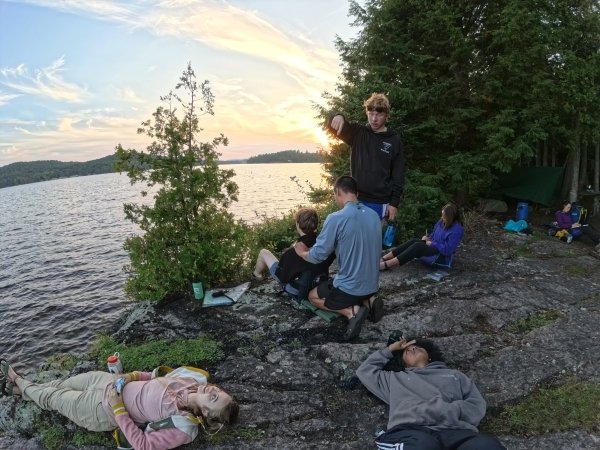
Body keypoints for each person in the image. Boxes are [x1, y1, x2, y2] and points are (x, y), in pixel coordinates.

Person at [1, 358, 238, 450]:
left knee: (51, 398)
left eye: (214, 397)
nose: (213, 390)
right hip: (107, 381)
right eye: (218, 390)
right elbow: (152, 375)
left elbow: (142, 444)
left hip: (99, 410)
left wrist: (117, 408)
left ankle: (17, 379)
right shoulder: (190, 381)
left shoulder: (183, 428)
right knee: (61, 384)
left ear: (206, 412)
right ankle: (22, 392)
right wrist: (130, 376)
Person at [355, 338, 506, 450]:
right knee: (423, 445)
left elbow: (476, 403)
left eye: (417, 347)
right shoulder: (394, 379)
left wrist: (453, 410)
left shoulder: (455, 375)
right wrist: (390, 350)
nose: (413, 348)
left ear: (430, 354)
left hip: (455, 431)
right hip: (410, 432)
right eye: (407, 350)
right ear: (401, 362)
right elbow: (365, 371)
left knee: (487, 444)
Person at [294, 176, 382, 340]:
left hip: (350, 287)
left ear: (338, 192)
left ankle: (352, 312)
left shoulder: (336, 218)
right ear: (356, 193)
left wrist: (302, 253)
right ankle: (370, 300)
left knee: (312, 296)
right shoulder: (374, 216)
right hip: (372, 283)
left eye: (335, 196)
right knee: (351, 282)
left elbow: (317, 255)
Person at [328, 92, 405, 221]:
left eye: (379, 114)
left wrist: (394, 203)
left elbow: (398, 175)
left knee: (375, 240)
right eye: (371, 114)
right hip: (356, 200)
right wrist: (338, 116)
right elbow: (332, 125)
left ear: (386, 115)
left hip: (380, 203)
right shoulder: (358, 133)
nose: (374, 119)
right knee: (354, 240)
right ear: (366, 113)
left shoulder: (394, 140)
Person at [253, 207, 334, 299]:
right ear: (315, 224)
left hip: (297, 290)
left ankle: (257, 275)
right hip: (317, 285)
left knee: (264, 252)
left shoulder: (292, 253)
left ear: (298, 225)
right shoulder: (324, 246)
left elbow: (282, 278)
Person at [380, 203, 463, 270]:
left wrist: (431, 243)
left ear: (450, 218)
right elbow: (433, 235)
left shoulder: (456, 230)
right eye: (442, 215)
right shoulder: (441, 222)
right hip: (432, 246)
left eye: (444, 217)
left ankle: (386, 265)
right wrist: (427, 238)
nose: (442, 218)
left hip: (440, 257)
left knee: (417, 246)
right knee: (413, 241)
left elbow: (448, 250)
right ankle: (384, 258)